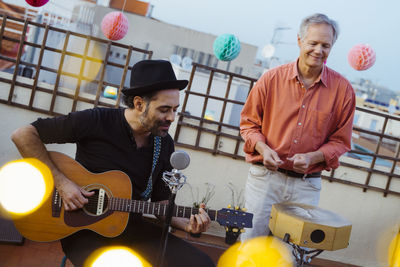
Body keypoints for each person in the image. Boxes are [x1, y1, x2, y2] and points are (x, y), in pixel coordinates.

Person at [11, 60, 215, 267]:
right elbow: (23, 135)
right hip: (83, 231)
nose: (171, 117)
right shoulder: (96, 121)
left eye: (175, 110)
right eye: (164, 109)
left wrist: (188, 224)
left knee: (201, 263)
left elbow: (161, 205)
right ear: (138, 104)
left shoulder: (164, 144)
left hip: (132, 229)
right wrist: (62, 184)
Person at [239, 13, 356, 240]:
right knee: (251, 246)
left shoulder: (344, 91)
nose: (318, 50)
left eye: (325, 45)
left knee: (291, 255)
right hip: (265, 179)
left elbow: (341, 141)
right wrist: (264, 150)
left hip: (306, 187)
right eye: (313, 43)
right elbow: (248, 125)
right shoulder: (270, 79)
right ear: (300, 41)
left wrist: (314, 157)